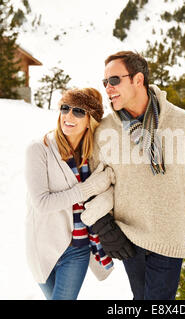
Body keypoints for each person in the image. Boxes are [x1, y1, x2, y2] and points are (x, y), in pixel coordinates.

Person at [90, 51, 185, 300]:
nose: (108, 88)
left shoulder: (180, 121)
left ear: (138, 79)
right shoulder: (106, 130)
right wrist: (104, 226)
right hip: (128, 238)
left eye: (115, 80)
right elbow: (96, 184)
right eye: (105, 82)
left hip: (170, 235)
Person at [24, 88, 115, 300]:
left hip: (78, 248)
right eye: (65, 108)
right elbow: (42, 203)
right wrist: (86, 189)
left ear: (90, 120)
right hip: (43, 246)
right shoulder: (39, 149)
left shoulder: (94, 156)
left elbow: (111, 188)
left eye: (78, 111)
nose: (68, 116)